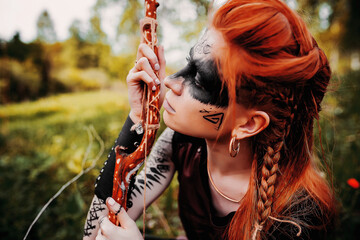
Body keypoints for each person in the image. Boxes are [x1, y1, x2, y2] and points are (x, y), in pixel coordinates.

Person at [83, 0, 337, 239]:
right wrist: (138, 117)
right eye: (187, 63)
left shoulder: (299, 219)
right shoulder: (181, 143)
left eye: (200, 80)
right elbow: (95, 234)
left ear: (248, 124)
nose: (170, 81)